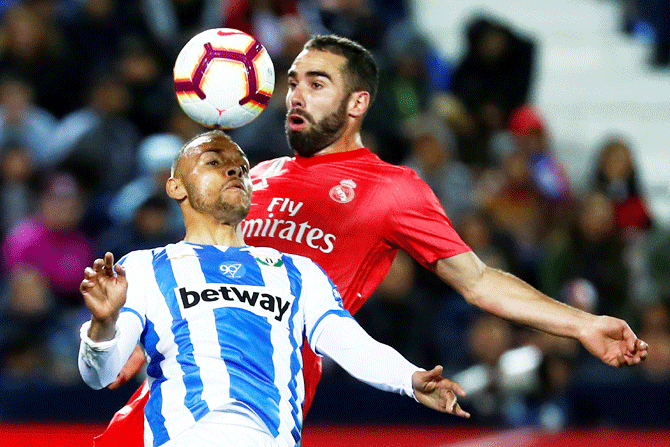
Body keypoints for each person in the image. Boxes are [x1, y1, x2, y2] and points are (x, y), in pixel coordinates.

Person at [95, 34, 648, 447]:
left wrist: (580, 324)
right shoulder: (254, 176)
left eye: (316, 85)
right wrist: (134, 332)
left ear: (357, 104)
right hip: (174, 389)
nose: (296, 97)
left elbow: (478, 282)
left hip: (265, 395)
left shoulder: (392, 190)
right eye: (292, 83)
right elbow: (199, 272)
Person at [78, 130, 469, 447]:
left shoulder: (297, 271)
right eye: (215, 162)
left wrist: (409, 378)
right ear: (176, 187)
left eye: (241, 168)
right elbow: (98, 376)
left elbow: (351, 343)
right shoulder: (144, 268)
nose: (234, 172)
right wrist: (102, 326)